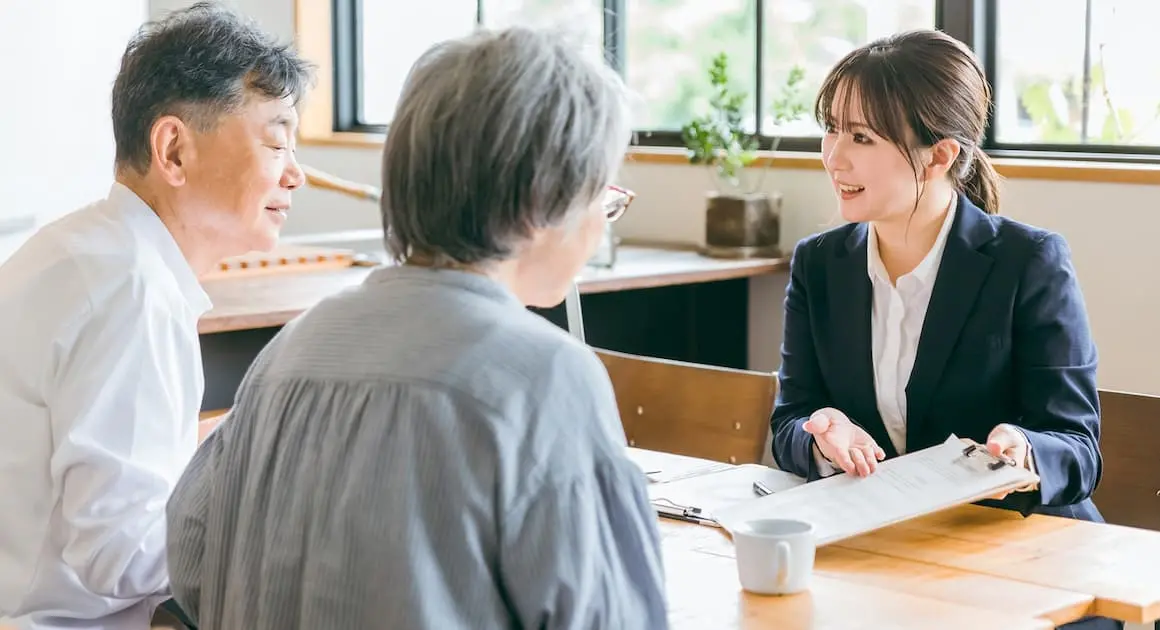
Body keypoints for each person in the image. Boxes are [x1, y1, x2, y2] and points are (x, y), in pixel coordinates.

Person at [164, 25, 667, 630]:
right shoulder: (546, 377)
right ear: (543, 200)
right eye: (602, 195)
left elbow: (190, 563)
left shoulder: (291, 350)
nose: (603, 222)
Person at [768, 30, 1118, 630]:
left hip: (1026, 566)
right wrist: (820, 438)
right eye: (832, 129)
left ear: (940, 155)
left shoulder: (1028, 262)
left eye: (862, 137)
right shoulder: (819, 264)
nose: (834, 157)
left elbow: (1077, 447)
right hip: (888, 559)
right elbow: (789, 421)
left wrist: (1023, 450)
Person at [0, 3, 312, 629]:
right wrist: (279, 517)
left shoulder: (85, 249)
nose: (296, 175)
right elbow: (119, 556)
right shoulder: (131, 291)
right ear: (173, 149)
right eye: (276, 143)